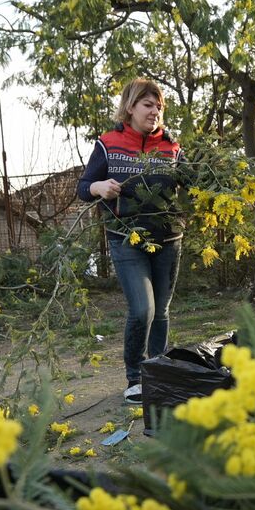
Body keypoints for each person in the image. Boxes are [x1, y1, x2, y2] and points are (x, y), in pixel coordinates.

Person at [78, 78, 183, 402]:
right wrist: (99, 188)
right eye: (148, 105)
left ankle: (159, 370)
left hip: (168, 238)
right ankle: (135, 376)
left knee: (161, 311)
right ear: (131, 107)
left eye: (159, 106)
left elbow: (189, 184)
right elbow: (83, 187)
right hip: (126, 238)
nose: (155, 111)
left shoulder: (172, 147)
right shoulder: (108, 143)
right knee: (142, 310)